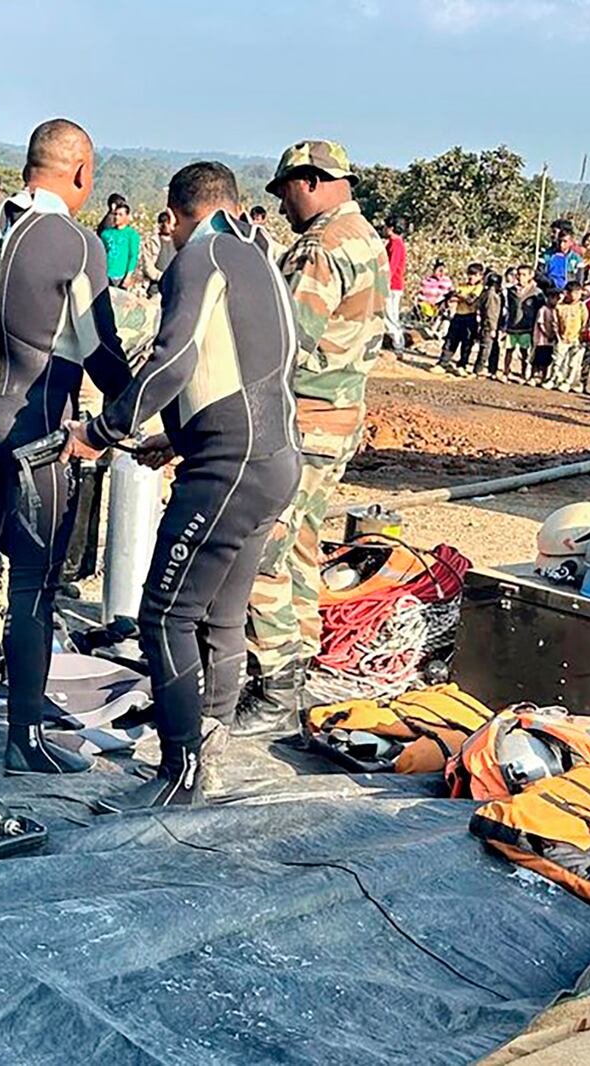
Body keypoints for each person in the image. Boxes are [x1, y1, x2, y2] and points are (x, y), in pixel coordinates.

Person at [67, 161, 303, 806]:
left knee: (165, 616)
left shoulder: (199, 259)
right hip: (275, 458)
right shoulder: (261, 254)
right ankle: (213, 736)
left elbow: (173, 360)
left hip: (230, 467)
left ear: (172, 217)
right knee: (222, 615)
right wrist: (178, 437)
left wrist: (102, 429)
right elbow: (252, 364)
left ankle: (180, 774)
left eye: (165, 228)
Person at [0, 119, 132, 774]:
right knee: (35, 582)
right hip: (37, 427)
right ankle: (24, 739)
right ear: (80, 173)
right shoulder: (76, 243)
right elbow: (101, 351)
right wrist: (133, 412)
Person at [234, 140, 389, 736]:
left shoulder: (321, 249)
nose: (283, 208)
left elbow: (283, 341)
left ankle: (273, 688)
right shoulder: (367, 239)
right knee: (302, 548)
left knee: (267, 550)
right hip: (340, 419)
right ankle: (295, 674)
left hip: (303, 422)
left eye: (286, 193)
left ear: (310, 181)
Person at [440, 262, 484, 373]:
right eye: (470, 274)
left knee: (467, 343)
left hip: (470, 317)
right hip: (458, 315)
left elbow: (470, 300)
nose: (471, 277)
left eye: (474, 275)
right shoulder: (462, 286)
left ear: (480, 276)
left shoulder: (479, 287)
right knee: (451, 340)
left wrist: (457, 296)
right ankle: (443, 362)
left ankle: (462, 365)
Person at [549, 280, 587, 391]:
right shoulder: (560, 306)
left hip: (576, 339)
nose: (574, 296)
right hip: (562, 338)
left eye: (577, 293)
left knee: (572, 363)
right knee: (557, 361)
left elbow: (584, 323)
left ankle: (568, 382)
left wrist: (581, 337)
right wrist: (558, 336)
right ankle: (554, 379)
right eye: (572, 293)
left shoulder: (581, 307)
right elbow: (555, 322)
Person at [99, 200, 140, 286]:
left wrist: (128, 276)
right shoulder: (106, 234)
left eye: (120, 215)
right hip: (106, 274)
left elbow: (133, 256)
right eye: (115, 214)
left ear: (127, 216)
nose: (117, 217)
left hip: (121, 276)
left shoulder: (131, 234)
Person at [382, 216, 406, 352]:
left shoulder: (396, 244)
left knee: (390, 315)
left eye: (386, 226)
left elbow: (391, 267)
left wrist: (383, 282)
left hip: (392, 285)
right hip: (392, 284)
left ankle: (398, 345)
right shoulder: (393, 243)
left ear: (391, 228)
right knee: (390, 315)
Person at [476, 271, 505, 379]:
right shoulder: (492, 296)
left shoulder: (486, 293)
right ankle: (479, 369)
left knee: (492, 348)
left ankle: (491, 370)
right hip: (490, 326)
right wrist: (493, 328)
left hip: (489, 325)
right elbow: (491, 313)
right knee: (486, 348)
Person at [142, 210, 176, 295]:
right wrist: (162, 276)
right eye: (167, 223)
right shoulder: (152, 242)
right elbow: (148, 267)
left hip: (173, 288)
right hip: (155, 288)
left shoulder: (178, 241)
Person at [532, 286, 561, 386]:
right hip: (541, 340)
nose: (554, 300)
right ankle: (534, 376)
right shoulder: (543, 309)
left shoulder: (556, 310)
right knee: (537, 359)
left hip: (551, 341)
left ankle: (543, 377)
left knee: (546, 360)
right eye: (552, 298)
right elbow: (540, 324)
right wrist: (547, 334)